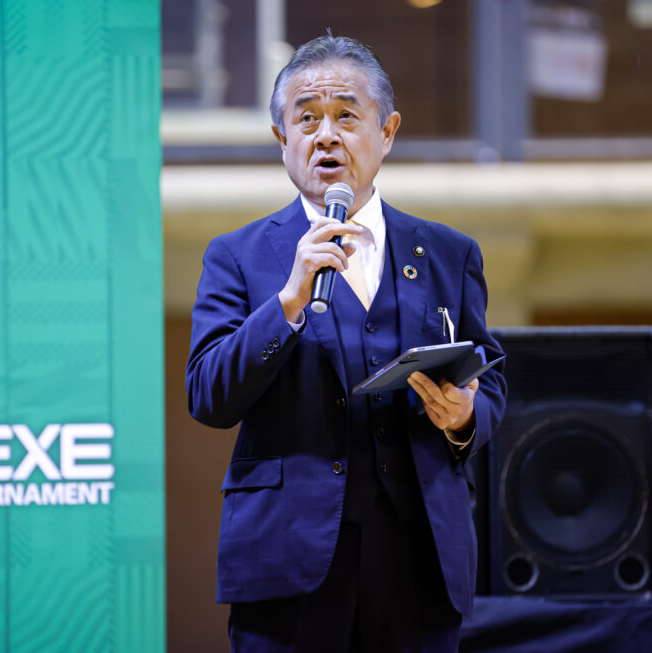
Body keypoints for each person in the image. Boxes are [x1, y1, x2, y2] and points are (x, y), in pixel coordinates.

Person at [186, 34, 507, 653]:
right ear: (282, 139)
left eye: (346, 116)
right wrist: (287, 303)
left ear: (387, 131)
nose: (326, 136)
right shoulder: (238, 256)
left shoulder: (448, 253)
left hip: (420, 559)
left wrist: (466, 416)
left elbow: (489, 377)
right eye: (306, 119)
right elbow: (207, 395)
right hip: (287, 559)